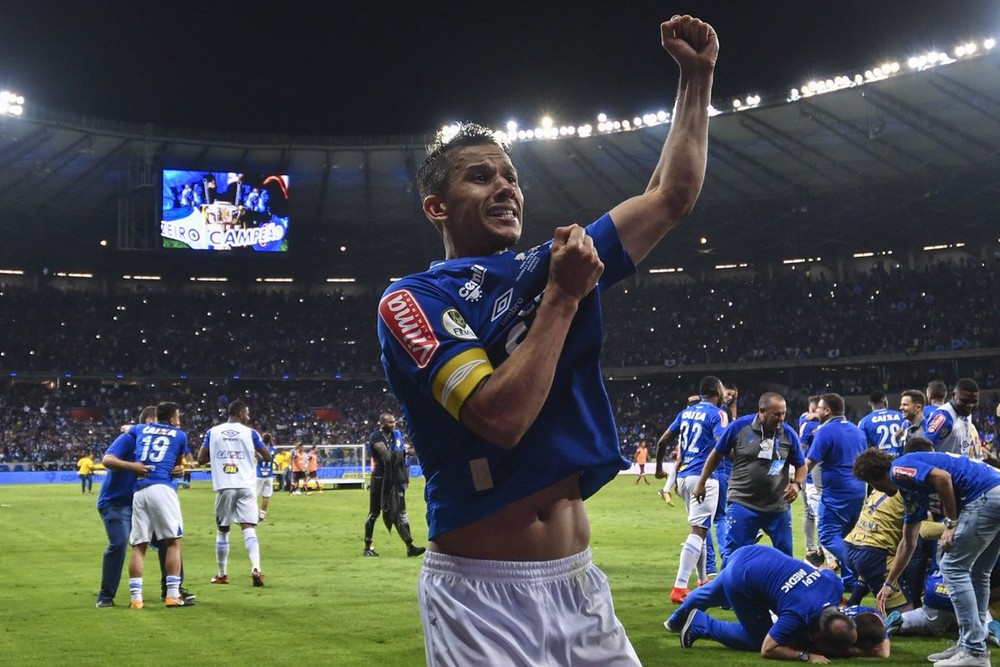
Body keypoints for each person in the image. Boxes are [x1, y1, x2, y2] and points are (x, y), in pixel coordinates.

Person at [375, 14, 716, 665]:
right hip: (480, 599)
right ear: (436, 207)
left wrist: (696, 77)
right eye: (479, 176)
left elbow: (671, 195)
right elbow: (499, 416)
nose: (504, 185)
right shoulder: (414, 299)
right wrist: (564, 295)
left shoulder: (548, 261)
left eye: (510, 175)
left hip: (579, 584)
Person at [854, 444, 1000, 666]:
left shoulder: (898, 470)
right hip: (994, 490)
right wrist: (889, 582)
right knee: (978, 572)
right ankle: (970, 643)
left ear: (873, 479)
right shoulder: (911, 491)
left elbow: (942, 478)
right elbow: (908, 542)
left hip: (984, 494)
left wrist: (951, 522)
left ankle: (974, 650)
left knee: (952, 568)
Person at [665, 544, 888, 660]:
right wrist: (806, 655)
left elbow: (872, 616)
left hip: (754, 553)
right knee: (758, 638)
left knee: (711, 593)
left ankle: (676, 621)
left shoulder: (834, 585)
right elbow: (768, 648)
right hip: (744, 578)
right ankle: (702, 624)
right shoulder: (797, 614)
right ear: (818, 634)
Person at [695, 392, 805, 562]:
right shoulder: (739, 428)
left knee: (785, 556)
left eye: (783, 413)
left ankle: (782, 588)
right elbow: (717, 453)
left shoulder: (788, 434)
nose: (781, 418)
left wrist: (797, 485)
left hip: (777, 506)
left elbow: (801, 464)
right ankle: (727, 588)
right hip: (743, 502)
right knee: (734, 555)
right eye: (776, 414)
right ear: (762, 411)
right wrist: (701, 482)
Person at [101, 402, 191, 609]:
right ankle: (172, 594)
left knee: (139, 546)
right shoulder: (179, 435)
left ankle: (136, 599)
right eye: (178, 416)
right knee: (173, 542)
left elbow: (127, 427)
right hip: (152, 490)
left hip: (139, 492)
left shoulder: (140, 430)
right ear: (171, 418)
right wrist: (175, 468)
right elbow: (180, 461)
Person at [656, 376, 729, 603]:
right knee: (698, 532)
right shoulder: (717, 414)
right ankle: (679, 586)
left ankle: (703, 579)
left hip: (685, 476)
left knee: (700, 529)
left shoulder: (685, 413)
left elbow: (662, 442)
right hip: (705, 478)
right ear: (717, 390)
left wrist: (659, 468)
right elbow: (722, 444)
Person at [198, 400, 271, 587]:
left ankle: (222, 574)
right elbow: (267, 456)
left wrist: (219, 453)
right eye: (246, 413)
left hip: (224, 485)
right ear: (239, 413)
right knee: (248, 527)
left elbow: (201, 459)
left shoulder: (212, 432)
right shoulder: (251, 433)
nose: (248, 416)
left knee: (223, 529)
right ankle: (256, 568)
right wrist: (248, 453)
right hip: (246, 485)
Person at [806, 393, 868, 592]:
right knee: (848, 535)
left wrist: (794, 482)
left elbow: (810, 461)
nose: (816, 412)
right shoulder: (856, 430)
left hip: (835, 492)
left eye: (819, 408)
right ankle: (850, 581)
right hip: (858, 490)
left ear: (827, 411)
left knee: (827, 535)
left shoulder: (825, 431)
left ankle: (863, 568)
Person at [363, 413, 425, 557]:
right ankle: (367, 546)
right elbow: (386, 455)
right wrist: (405, 453)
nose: (393, 424)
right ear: (382, 423)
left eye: (394, 422)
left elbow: (399, 454)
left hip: (395, 479)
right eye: (389, 422)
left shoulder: (396, 436)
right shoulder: (375, 436)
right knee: (374, 513)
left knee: (399, 512)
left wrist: (415, 451)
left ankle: (410, 546)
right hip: (379, 478)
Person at [800, 395, 825, 566]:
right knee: (817, 513)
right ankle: (821, 551)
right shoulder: (810, 424)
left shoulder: (809, 423)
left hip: (806, 474)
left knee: (811, 513)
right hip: (811, 476)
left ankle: (814, 549)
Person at [925, 378, 980, 456]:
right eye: (965, 401)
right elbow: (924, 445)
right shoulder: (944, 416)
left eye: (974, 402)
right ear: (953, 395)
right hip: (942, 467)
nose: (970, 405)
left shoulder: (966, 413)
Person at [858, 390, 905, 458]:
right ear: (885, 402)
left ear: (870, 404)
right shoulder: (902, 416)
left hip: (880, 463)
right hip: (901, 460)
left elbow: (861, 446)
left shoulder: (864, 422)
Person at [893, 389, 927, 455]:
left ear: (918, 407)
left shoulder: (927, 428)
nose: (901, 408)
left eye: (905, 405)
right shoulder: (905, 424)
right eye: (901, 404)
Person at [257, 432, 277, 522]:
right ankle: (262, 516)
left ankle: (251, 514)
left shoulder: (259, 450)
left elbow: (258, 456)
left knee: (253, 496)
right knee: (266, 496)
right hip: (269, 475)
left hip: (259, 474)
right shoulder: (273, 449)